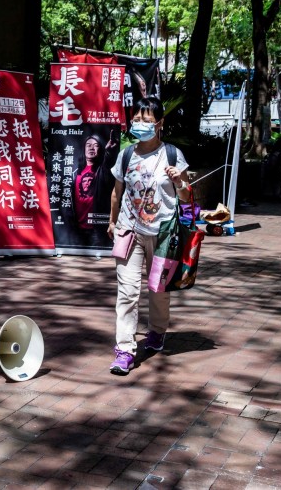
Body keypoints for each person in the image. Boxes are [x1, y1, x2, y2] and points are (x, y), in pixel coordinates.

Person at [107, 97, 191, 375]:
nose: (139, 124)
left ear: (159, 123)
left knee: (158, 291)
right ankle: (124, 350)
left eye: (146, 119)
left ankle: (157, 331)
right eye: (137, 119)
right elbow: (117, 192)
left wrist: (179, 181)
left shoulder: (173, 155)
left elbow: (187, 195)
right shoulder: (126, 154)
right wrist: (112, 221)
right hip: (129, 231)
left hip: (164, 234)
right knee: (128, 292)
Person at [71, 131, 118, 246]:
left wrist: (109, 151)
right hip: (77, 228)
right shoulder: (75, 173)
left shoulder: (102, 170)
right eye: (89, 145)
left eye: (96, 145)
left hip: (97, 229)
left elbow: (108, 164)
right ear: (84, 148)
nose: (92, 148)